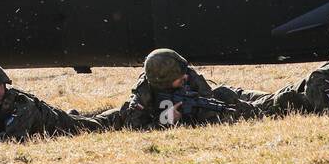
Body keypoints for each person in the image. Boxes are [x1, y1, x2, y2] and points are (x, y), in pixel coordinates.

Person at [94, 49, 263, 129]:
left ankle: (286, 95)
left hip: (223, 98)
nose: (186, 77)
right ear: (165, 82)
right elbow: (134, 128)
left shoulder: (187, 74)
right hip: (146, 115)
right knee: (110, 118)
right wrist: (163, 122)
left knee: (230, 94)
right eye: (179, 78)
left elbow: (209, 100)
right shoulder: (145, 93)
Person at [0, 63, 99, 147]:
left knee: (97, 125)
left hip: (57, 124)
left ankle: (123, 113)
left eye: (0, 85)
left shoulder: (21, 104)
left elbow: (14, 140)